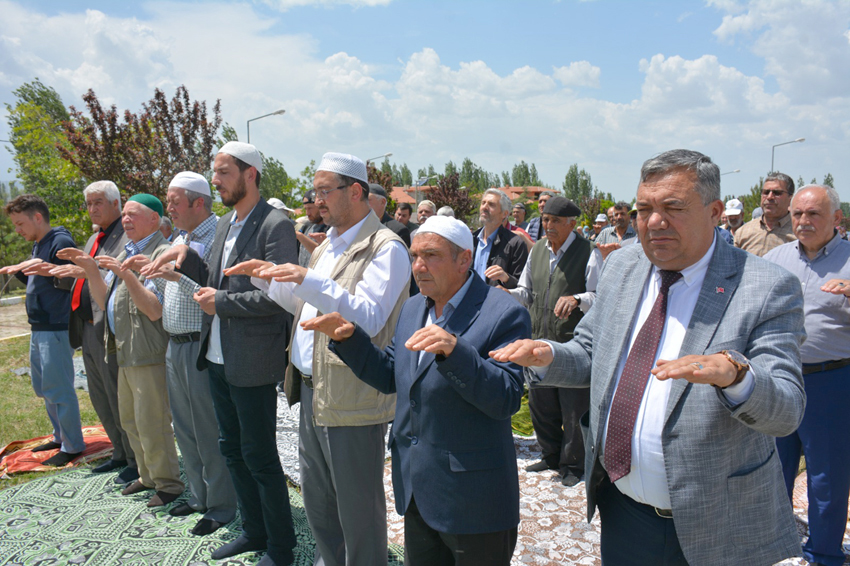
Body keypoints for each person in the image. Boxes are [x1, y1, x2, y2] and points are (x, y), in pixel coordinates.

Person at [492, 149, 806, 566]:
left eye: (673, 207)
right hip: (624, 512)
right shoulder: (623, 265)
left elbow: (785, 409)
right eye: (644, 209)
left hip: (718, 522)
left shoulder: (766, 287)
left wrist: (736, 377)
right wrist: (545, 354)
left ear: (714, 212)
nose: (654, 221)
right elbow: (589, 352)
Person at [303, 215, 531, 566]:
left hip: (475, 502)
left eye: (432, 256)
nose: (419, 267)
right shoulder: (413, 307)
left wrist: (455, 352)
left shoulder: (504, 312)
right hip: (418, 491)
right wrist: (349, 339)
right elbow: (393, 374)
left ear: (464, 260)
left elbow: (505, 398)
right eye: (414, 256)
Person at [226, 152, 410, 566]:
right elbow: (304, 308)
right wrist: (267, 276)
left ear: (357, 191)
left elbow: (368, 316)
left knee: (358, 511)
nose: (318, 200)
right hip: (312, 392)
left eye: (326, 191)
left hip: (353, 399)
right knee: (320, 506)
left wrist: (307, 278)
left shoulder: (387, 248)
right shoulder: (328, 245)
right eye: (317, 192)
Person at [143, 141, 299, 565]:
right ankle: (254, 532)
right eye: (215, 172)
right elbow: (212, 277)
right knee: (231, 449)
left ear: (250, 175)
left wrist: (224, 304)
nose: (215, 180)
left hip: (251, 362)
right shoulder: (228, 223)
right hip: (215, 358)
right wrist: (186, 256)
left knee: (261, 457)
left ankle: (281, 547)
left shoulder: (275, 225)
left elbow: (282, 297)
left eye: (224, 172)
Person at [127, 172, 237, 536]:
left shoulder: (219, 236)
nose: (168, 209)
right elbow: (159, 296)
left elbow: (215, 290)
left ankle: (222, 505)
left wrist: (181, 274)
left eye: (174, 202)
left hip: (201, 346)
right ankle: (200, 495)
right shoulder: (179, 238)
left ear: (198, 203)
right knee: (186, 429)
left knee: (208, 429)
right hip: (175, 346)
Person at [59, 194, 184, 508]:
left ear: (154, 219)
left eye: (133, 214)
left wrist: (126, 274)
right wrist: (90, 269)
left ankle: (168, 483)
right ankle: (147, 475)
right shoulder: (129, 250)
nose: (125, 220)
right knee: (131, 420)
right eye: (124, 215)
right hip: (125, 349)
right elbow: (103, 303)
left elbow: (154, 310)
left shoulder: (160, 252)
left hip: (148, 351)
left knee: (152, 421)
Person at [764, 184, 850, 566]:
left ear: (836, 218)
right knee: (773, 466)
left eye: (813, 214)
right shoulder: (778, 257)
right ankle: (774, 541)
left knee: (826, 475)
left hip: (831, 382)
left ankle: (825, 553)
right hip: (780, 378)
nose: (803, 221)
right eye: (798, 213)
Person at [509, 197, 601, 487]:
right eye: (545, 220)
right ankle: (550, 454)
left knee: (573, 408)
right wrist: (505, 293)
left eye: (555, 221)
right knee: (541, 403)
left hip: (573, 344)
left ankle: (573, 463)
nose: (547, 226)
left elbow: (600, 297)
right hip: (539, 341)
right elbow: (526, 292)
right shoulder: (537, 250)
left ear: (572, 224)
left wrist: (577, 299)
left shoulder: (589, 252)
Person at [51, 181, 137, 482]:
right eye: (89, 203)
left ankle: (134, 458)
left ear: (116, 203)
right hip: (87, 328)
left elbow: (116, 279)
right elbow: (84, 277)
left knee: (117, 394)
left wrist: (86, 270)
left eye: (98, 202)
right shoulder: (92, 239)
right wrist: (54, 273)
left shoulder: (127, 237)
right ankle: (117, 451)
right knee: (99, 395)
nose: (92, 209)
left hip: (109, 328)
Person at [1, 195, 85, 467]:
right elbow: (42, 278)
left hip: (56, 326)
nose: (17, 230)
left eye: (20, 223)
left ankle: (73, 446)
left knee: (59, 389)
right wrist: (26, 271)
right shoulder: (39, 244)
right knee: (44, 388)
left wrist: (40, 269)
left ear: (38, 217)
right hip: (39, 326)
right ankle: (60, 437)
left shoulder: (60, 241)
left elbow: (70, 277)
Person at [473, 189, 529, 289]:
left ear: (504, 214)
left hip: (495, 302)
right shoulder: (471, 240)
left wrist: (506, 278)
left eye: (491, 204)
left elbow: (523, 288)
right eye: (483, 203)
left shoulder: (515, 244)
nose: (485, 207)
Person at [735, 172, 796, 256]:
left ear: (790, 198)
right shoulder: (743, 232)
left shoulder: (798, 234)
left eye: (777, 192)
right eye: (766, 192)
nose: (769, 197)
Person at [296, 189, 328, 267]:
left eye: (310, 208)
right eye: (306, 209)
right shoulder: (305, 227)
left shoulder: (331, 230)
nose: (307, 213)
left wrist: (300, 236)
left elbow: (323, 255)